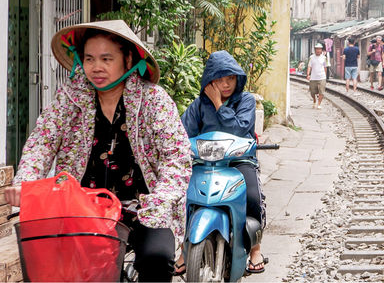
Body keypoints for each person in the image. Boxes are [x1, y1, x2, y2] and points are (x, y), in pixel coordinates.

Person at [5, 20, 191, 282]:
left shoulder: (154, 100)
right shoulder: (69, 100)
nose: (97, 67)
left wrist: (160, 201)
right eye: (90, 59)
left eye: (107, 58)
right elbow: (41, 144)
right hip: (82, 209)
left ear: (128, 60)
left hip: (145, 210)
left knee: (156, 260)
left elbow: (177, 157)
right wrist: (25, 184)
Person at [180, 50, 267, 274]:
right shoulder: (199, 105)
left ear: (238, 78)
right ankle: (183, 248)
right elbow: (180, 133)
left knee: (252, 197)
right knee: (181, 195)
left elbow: (239, 128)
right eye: (219, 79)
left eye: (230, 78)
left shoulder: (245, 100)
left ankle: (255, 248)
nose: (226, 84)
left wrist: (219, 104)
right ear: (210, 80)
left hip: (238, 161)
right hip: (205, 164)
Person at [307, 42, 328, 108]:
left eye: (320, 49)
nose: (318, 50)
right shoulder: (311, 57)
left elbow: (325, 67)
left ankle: (319, 104)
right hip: (313, 77)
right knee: (312, 92)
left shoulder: (324, 58)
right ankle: (314, 100)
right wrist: (308, 74)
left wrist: (325, 76)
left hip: (322, 77)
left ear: (321, 50)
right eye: (317, 49)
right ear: (315, 49)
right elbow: (309, 66)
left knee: (321, 92)